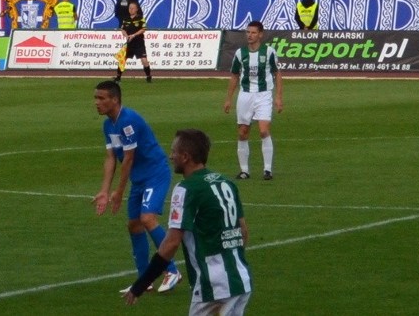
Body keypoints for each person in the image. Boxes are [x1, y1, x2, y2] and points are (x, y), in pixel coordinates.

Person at [124, 128, 252, 315]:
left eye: (174, 152)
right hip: (241, 279)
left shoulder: (186, 189)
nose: (170, 156)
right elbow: (243, 232)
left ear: (185, 157)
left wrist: (141, 284)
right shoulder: (227, 183)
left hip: (214, 287)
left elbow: (171, 243)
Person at [92, 81, 182, 294]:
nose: (97, 103)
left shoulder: (128, 120)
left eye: (101, 98)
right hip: (139, 178)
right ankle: (144, 280)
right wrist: (105, 191)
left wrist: (119, 191)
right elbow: (111, 157)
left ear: (115, 99)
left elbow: (129, 158)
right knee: (134, 225)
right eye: (95, 98)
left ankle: (172, 270)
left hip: (155, 173)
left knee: (147, 218)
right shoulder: (108, 125)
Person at [223, 21, 283, 180]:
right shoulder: (240, 53)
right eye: (248, 32)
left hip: (263, 94)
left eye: (253, 32)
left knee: (263, 130)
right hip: (245, 95)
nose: (249, 35)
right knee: (243, 132)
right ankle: (244, 170)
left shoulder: (269, 52)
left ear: (260, 34)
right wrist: (228, 99)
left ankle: (267, 170)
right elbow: (234, 75)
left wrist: (278, 97)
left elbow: (277, 73)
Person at [114, 2, 152, 83]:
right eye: (129, 8)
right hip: (129, 43)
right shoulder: (126, 19)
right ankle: (118, 77)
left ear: (137, 9)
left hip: (139, 43)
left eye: (133, 8)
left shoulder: (140, 18)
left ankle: (148, 76)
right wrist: (126, 35)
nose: (131, 10)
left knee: (144, 60)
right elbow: (122, 29)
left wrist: (134, 35)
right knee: (122, 59)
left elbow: (143, 29)